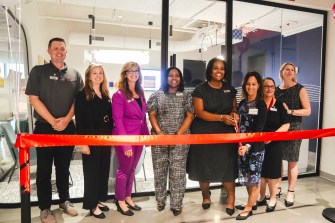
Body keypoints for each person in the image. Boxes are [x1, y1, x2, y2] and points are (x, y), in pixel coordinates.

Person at [25, 37, 83, 223]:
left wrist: (66, 120)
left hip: (67, 127)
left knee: (64, 167)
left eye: (62, 48)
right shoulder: (38, 71)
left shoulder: (74, 73)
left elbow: (78, 101)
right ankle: (45, 208)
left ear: (66, 51)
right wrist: (53, 121)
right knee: (43, 170)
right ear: (49, 51)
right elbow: (33, 98)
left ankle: (64, 201)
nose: (59, 51)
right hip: (44, 127)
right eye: (55, 48)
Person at [187, 57, 239, 216]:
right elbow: (199, 112)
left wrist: (234, 115)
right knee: (204, 167)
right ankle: (205, 195)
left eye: (222, 68)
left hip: (226, 135)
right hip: (204, 134)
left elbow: (234, 108)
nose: (219, 71)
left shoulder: (230, 89)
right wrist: (221, 118)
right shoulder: (200, 89)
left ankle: (231, 197)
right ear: (210, 70)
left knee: (227, 167)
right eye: (216, 68)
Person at [147, 67, 194, 216]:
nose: (174, 78)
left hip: (180, 140)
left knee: (178, 173)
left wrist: (178, 135)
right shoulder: (156, 95)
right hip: (159, 139)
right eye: (170, 75)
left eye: (177, 76)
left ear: (180, 79)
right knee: (159, 171)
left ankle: (176, 203)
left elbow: (190, 115)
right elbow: (152, 115)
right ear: (165, 78)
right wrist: (160, 134)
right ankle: (160, 200)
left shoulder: (186, 96)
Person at [74, 63, 113, 219]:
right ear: (88, 76)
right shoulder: (82, 95)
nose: (98, 76)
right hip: (90, 140)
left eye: (100, 73)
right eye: (94, 73)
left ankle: (98, 198)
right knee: (91, 173)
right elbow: (80, 122)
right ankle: (92, 204)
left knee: (103, 171)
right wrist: (83, 143)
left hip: (105, 140)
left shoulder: (104, 93)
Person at [112, 61, 150, 216]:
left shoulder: (140, 93)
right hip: (126, 138)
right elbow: (118, 120)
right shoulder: (119, 95)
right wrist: (126, 144)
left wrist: (146, 137)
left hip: (139, 137)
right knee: (124, 169)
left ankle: (128, 196)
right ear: (125, 74)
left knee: (133, 169)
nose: (134, 73)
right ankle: (120, 199)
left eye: (136, 71)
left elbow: (143, 117)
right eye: (131, 71)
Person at [275, 62, 311, 207]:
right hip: (278, 128)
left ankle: (290, 191)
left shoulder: (300, 89)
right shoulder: (276, 90)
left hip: (294, 127)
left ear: (294, 73)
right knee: (277, 160)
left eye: (292, 70)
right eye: (286, 69)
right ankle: (277, 187)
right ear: (281, 72)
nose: (289, 71)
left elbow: (308, 111)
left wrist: (290, 111)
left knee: (292, 161)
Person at [235, 71, 267, 220]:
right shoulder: (242, 102)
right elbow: (239, 124)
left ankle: (248, 208)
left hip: (254, 148)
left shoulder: (261, 104)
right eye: (248, 84)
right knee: (247, 177)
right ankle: (251, 202)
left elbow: (258, 129)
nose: (250, 87)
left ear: (258, 85)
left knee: (254, 179)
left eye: (254, 84)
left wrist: (248, 145)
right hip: (242, 147)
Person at [257, 77, 290, 212]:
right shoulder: (258, 104)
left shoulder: (280, 104)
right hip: (258, 143)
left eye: (272, 86)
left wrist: (273, 136)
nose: (269, 89)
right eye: (266, 86)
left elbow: (286, 124)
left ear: (275, 88)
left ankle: (273, 198)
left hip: (275, 143)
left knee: (273, 173)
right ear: (262, 88)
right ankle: (261, 197)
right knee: (261, 172)